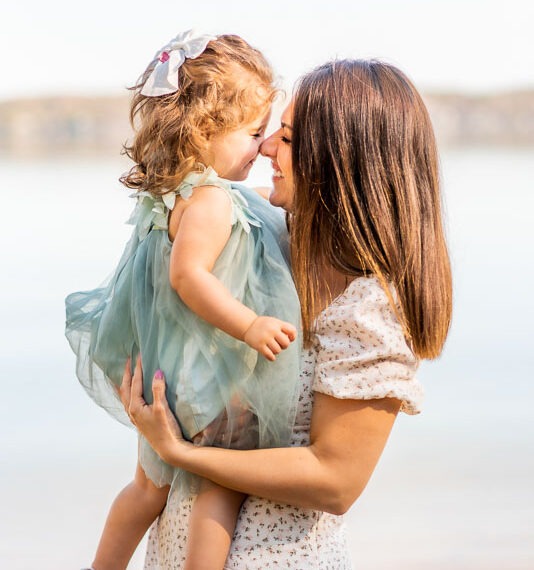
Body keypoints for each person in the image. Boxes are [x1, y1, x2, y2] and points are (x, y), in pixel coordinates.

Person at [120, 58, 453, 569]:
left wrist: (181, 453)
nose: (268, 146)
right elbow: (183, 233)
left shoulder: (366, 309)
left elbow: (335, 481)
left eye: (289, 139)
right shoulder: (264, 233)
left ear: (341, 163)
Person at [65, 31, 301, 570]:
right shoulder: (212, 201)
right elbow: (188, 277)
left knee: (146, 490)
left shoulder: (181, 191)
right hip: (207, 378)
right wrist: (249, 326)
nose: (262, 148)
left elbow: (251, 204)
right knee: (220, 484)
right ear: (205, 131)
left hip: (165, 372)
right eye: (253, 132)